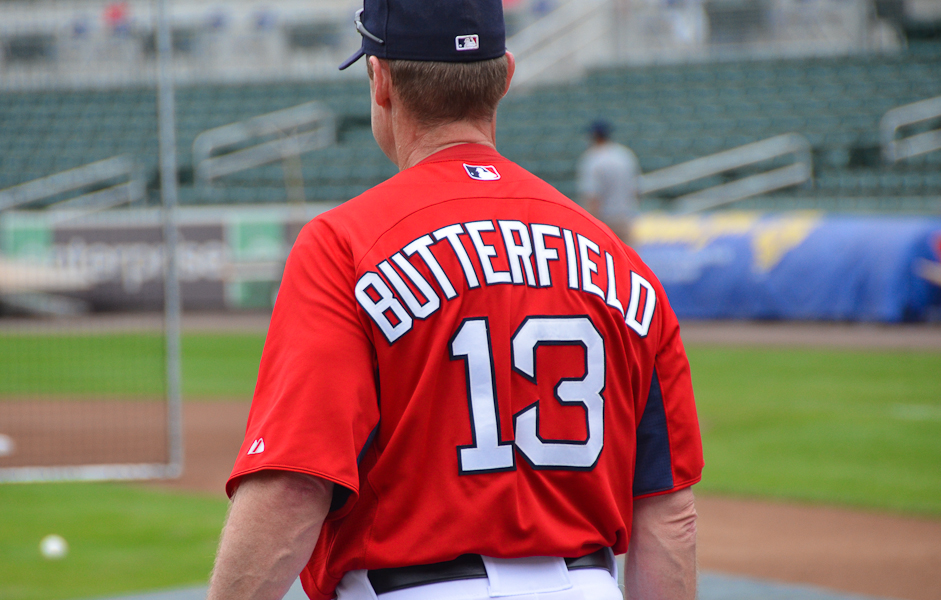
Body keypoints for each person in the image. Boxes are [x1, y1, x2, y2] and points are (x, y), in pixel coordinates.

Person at [207, 1, 703, 599]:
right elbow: (668, 514)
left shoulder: (344, 244)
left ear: (380, 79)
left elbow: (292, 487)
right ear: (506, 75)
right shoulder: (623, 264)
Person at [576, 120, 641, 245]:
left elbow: (592, 196)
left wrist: (590, 225)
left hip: (604, 220)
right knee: (629, 260)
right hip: (626, 217)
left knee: (605, 262)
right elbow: (636, 189)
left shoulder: (592, 158)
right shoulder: (625, 155)